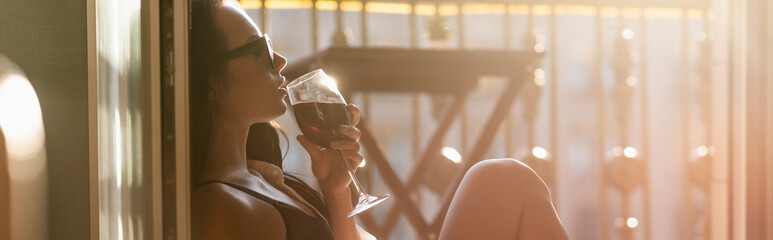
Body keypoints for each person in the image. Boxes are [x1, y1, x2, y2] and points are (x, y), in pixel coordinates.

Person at [189, 1, 568, 239]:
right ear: (210, 83)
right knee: (504, 179)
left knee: (504, 179)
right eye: (260, 51)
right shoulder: (225, 207)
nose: (279, 62)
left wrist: (335, 191)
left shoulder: (261, 177)